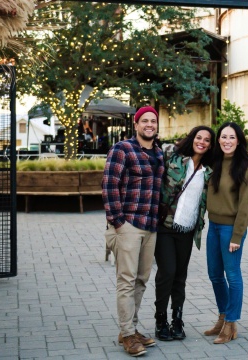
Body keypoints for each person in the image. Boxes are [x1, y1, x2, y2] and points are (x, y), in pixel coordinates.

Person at [102, 106, 164, 357]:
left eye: (153, 121)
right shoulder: (122, 149)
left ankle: (131, 328)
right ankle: (127, 335)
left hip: (150, 226)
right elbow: (109, 184)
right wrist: (118, 222)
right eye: (145, 121)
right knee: (126, 281)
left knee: (141, 280)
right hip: (128, 225)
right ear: (136, 125)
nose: (149, 124)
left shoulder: (158, 153)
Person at [154, 126, 215, 341]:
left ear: (210, 145)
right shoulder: (174, 157)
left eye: (207, 140)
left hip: (187, 229)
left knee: (180, 276)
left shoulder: (208, 169)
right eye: (199, 137)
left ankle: (177, 319)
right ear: (192, 138)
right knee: (167, 272)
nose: (202, 142)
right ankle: (160, 319)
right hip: (165, 226)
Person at [203, 122, 248, 344]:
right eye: (223, 137)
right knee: (215, 275)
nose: (227, 141)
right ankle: (223, 316)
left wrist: (237, 236)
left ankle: (231, 323)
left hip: (230, 229)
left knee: (232, 275)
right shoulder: (214, 162)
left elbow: (246, 204)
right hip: (213, 227)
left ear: (238, 140)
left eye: (231, 137)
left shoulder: (244, 166)